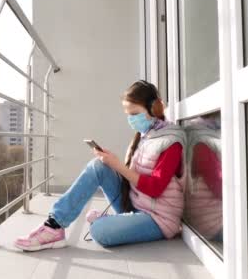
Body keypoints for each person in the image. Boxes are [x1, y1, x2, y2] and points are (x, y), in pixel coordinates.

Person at [14, 80, 186, 251]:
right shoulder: (146, 135)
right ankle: (54, 226)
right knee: (98, 166)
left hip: (158, 219)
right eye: (128, 114)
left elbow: (155, 188)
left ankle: (110, 222)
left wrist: (118, 165)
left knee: (99, 231)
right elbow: (132, 177)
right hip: (136, 205)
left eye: (134, 113)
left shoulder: (171, 142)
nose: (131, 120)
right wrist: (111, 162)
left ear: (155, 108)